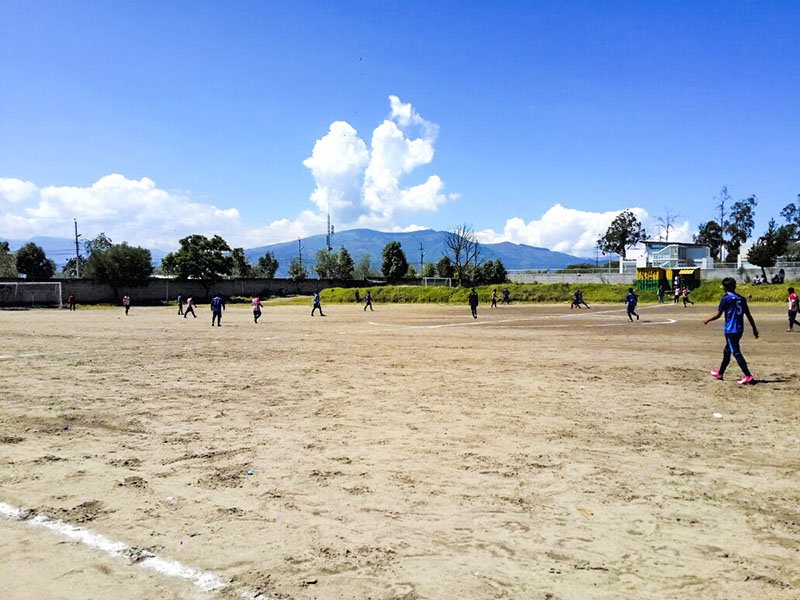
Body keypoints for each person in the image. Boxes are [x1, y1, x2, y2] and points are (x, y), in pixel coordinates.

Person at [703, 277, 758, 385]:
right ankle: (720, 373)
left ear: (724, 288)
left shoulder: (725, 299)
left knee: (736, 352)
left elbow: (718, 315)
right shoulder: (741, 299)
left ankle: (748, 376)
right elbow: (748, 315)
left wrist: (707, 319)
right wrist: (754, 328)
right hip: (739, 329)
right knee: (727, 351)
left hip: (730, 330)